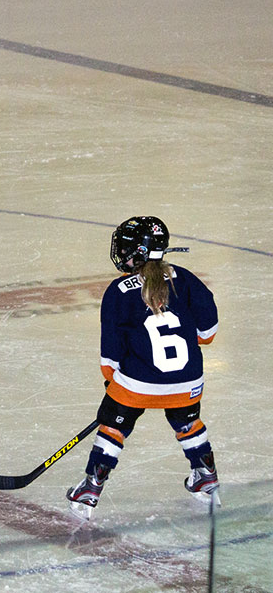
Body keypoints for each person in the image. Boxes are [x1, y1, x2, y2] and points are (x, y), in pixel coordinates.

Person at [66, 216, 220, 519]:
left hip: (136, 385)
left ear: (135, 252)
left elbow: (110, 355)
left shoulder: (119, 290)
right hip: (187, 383)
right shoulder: (186, 279)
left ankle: (90, 489)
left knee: (114, 426)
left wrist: (113, 387)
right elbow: (208, 334)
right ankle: (206, 479)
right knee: (187, 422)